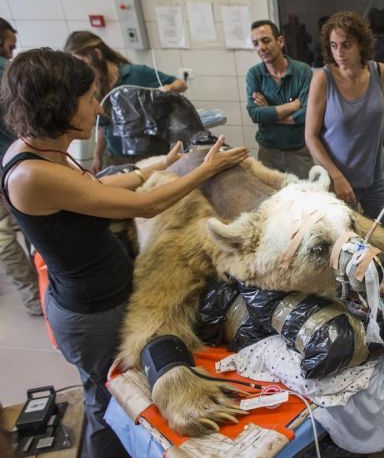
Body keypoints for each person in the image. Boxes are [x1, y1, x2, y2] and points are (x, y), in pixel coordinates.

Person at [0, 48, 248, 458]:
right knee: (112, 405)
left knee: (105, 398)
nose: (98, 108)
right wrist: (204, 170)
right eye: (89, 98)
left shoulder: (39, 152)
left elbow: (93, 192)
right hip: (92, 314)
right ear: (58, 104)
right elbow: (145, 207)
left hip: (96, 301)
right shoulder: (32, 173)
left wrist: (159, 167)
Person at [305, 11, 384, 228]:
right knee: (346, 244)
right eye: (334, 46)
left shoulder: (381, 72)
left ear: (361, 44)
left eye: (346, 45)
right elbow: (311, 136)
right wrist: (336, 177)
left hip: (375, 178)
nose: (340, 53)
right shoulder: (323, 79)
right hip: (339, 179)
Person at [64, 31, 187, 173]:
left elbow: (181, 84)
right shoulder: (94, 87)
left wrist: (168, 88)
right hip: (117, 158)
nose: (81, 70)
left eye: (82, 63)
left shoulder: (137, 74)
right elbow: (102, 127)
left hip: (153, 154)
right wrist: (97, 157)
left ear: (97, 54)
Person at [0, 17, 42, 317]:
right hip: (16, 165)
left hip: (9, 166)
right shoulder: (10, 76)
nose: (12, 53)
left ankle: (32, 298)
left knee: (5, 235)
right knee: (33, 229)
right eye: (10, 46)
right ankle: (41, 291)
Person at [246, 20, 314, 179]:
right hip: (268, 152)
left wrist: (269, 111)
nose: (261, 47)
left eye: (266, 40)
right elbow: (255, 114)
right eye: (255, 43)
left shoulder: (303, 71)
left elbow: (307, 114)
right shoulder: (254, 75)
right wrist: (293, 105)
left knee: (307, 198)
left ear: (280, 41)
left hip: (299, 152)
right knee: (271, 200)